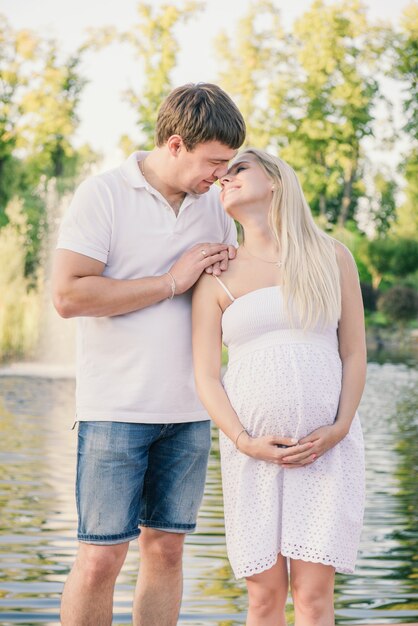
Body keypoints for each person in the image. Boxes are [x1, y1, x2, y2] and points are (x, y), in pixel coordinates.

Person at [52, 82, 246, 626]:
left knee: (166, 551)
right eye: (214, 162)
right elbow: (68, 296)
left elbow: (218, 307)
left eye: (229, 164)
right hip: (117, 409)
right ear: (177, 144)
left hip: (190, 413)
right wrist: (170, 281)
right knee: (100, 558)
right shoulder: (104, 194)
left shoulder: (215, 208)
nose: (221, 175)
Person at [192, 148, 366, 625]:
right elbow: (206, 376)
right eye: (221, 177)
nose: (225, 180)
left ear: (275, 182)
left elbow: (353, 352)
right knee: (265, 598)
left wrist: (340, 427)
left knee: (313, 597)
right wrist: (245, 441)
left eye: (238, 170)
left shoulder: (331, 257)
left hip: (326, 450)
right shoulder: (216, 274)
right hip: (251, 454)